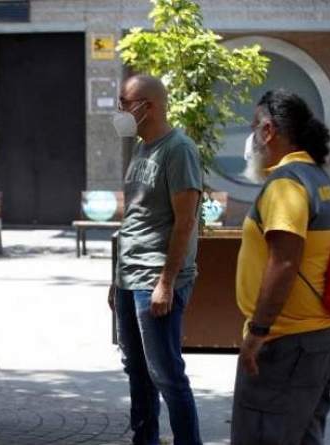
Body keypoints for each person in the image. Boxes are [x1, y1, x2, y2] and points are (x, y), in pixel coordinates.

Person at [231, 89, 330, 444]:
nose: (250, 139)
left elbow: (283, 261)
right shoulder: (321, 178)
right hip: (324, 338)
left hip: (285, 344)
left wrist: (259, 332)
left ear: (268, 132)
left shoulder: (286, 185)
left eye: (254, 128)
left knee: (264, 436)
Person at [108, 74, 203, 445]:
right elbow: (134, 219)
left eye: (125, 101)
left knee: (165, 372)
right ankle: (144, 439)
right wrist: (116, 280)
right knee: (136, 369)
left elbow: (185, 221)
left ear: (149, 106)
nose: (120, 109)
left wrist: (166, 282)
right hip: (131, 278)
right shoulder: (141, 148)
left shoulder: (178, 150)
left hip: (157, 281)